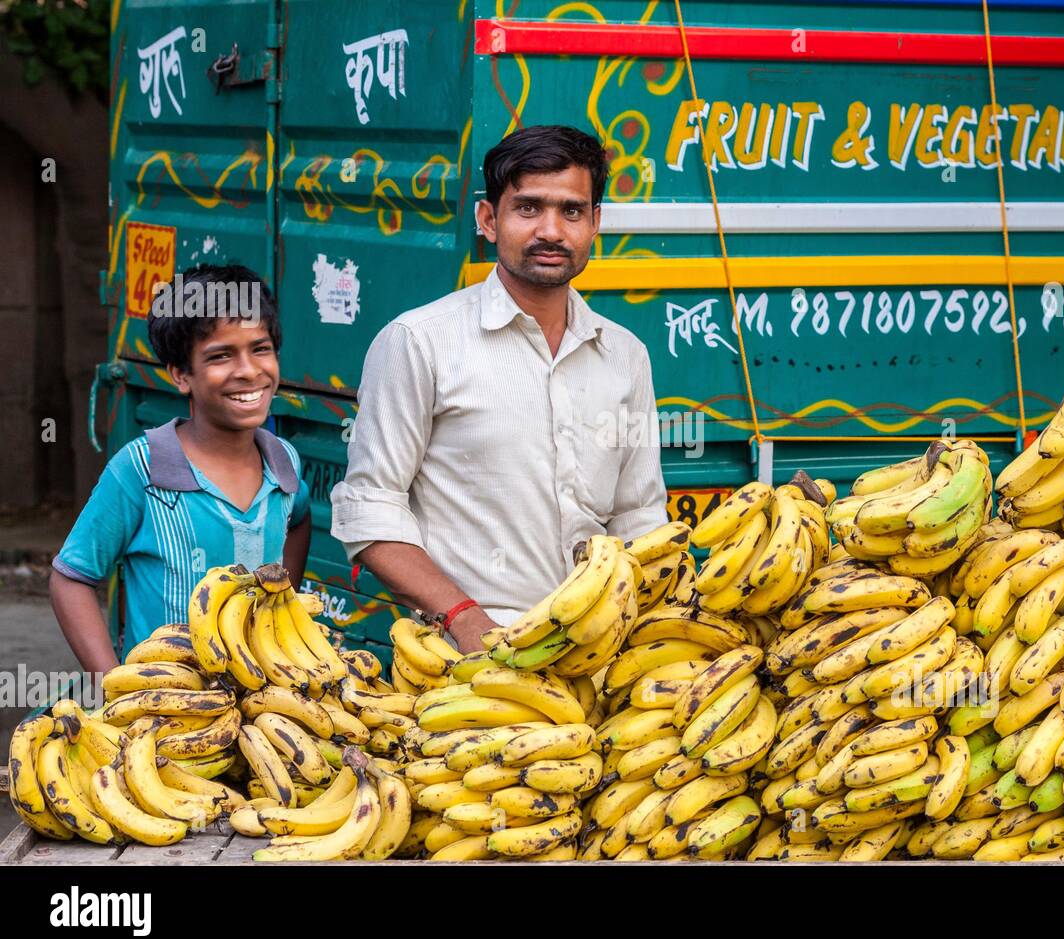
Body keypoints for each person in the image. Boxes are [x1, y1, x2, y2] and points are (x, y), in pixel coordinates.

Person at [332, 125, 668, 652]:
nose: (552, 230)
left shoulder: (625, 356)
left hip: (597, 654)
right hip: (464, 662)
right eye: (528, 208)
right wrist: (464, 619)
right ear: (489, 220)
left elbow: (638, 515)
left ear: (596, 223)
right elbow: (370, 508)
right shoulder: (420, 342)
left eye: (572, 211)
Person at [50, 264, 312, 670]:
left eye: (260, 349)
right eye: (221, 356)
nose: (248, 370)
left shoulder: (283, 460)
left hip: (263, 704)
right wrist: (110, 684)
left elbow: (298, 517)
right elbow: (72, 577)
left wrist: (282, 607)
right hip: (167, 705)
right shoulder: (142, 468)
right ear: (180, 374)